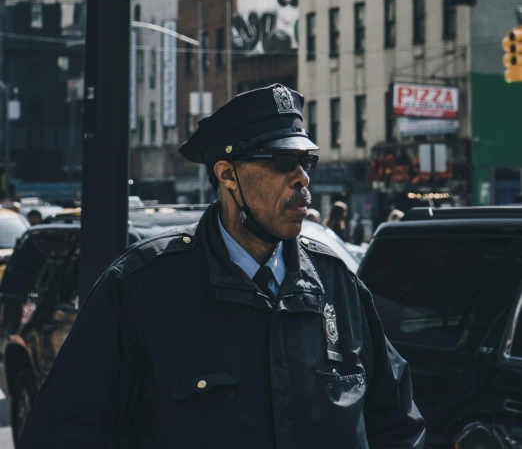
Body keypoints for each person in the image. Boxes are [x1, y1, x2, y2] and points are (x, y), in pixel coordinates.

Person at [17, 84, 425, 449]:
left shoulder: (338, 283)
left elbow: (397, 424)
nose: (302, 178)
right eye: (284, 161)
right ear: (227, 174)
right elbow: (60, 433)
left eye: (307, 161)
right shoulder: (141, 287)